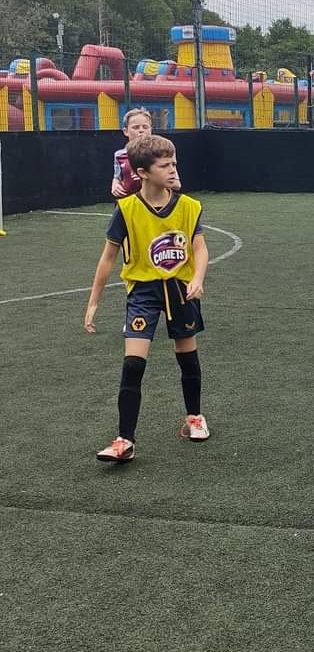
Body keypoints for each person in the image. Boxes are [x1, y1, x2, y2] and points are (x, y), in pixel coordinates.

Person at [84, 135, 210, 463]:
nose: (172, 169)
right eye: (164, 165)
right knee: (132, 364)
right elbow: (108, 257)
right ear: (142, 172)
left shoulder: (189, 206)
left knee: (187, 357)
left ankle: (194, 417)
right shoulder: (125, 210)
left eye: (174, 163)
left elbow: (199, 246)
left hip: (180, 290)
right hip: (142, 293)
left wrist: (197, 277)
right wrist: (94, 300)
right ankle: (124, 439)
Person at [110, 108, 154, 199]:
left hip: (152, 201)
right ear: (126, 131)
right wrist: (115, 185)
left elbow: (173, 180)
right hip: (127, 202)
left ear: (151, 129)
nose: (141, 130)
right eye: (136, 127)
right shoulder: (119, 155)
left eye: (145, 127)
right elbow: (117, 176)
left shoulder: (159, 152)